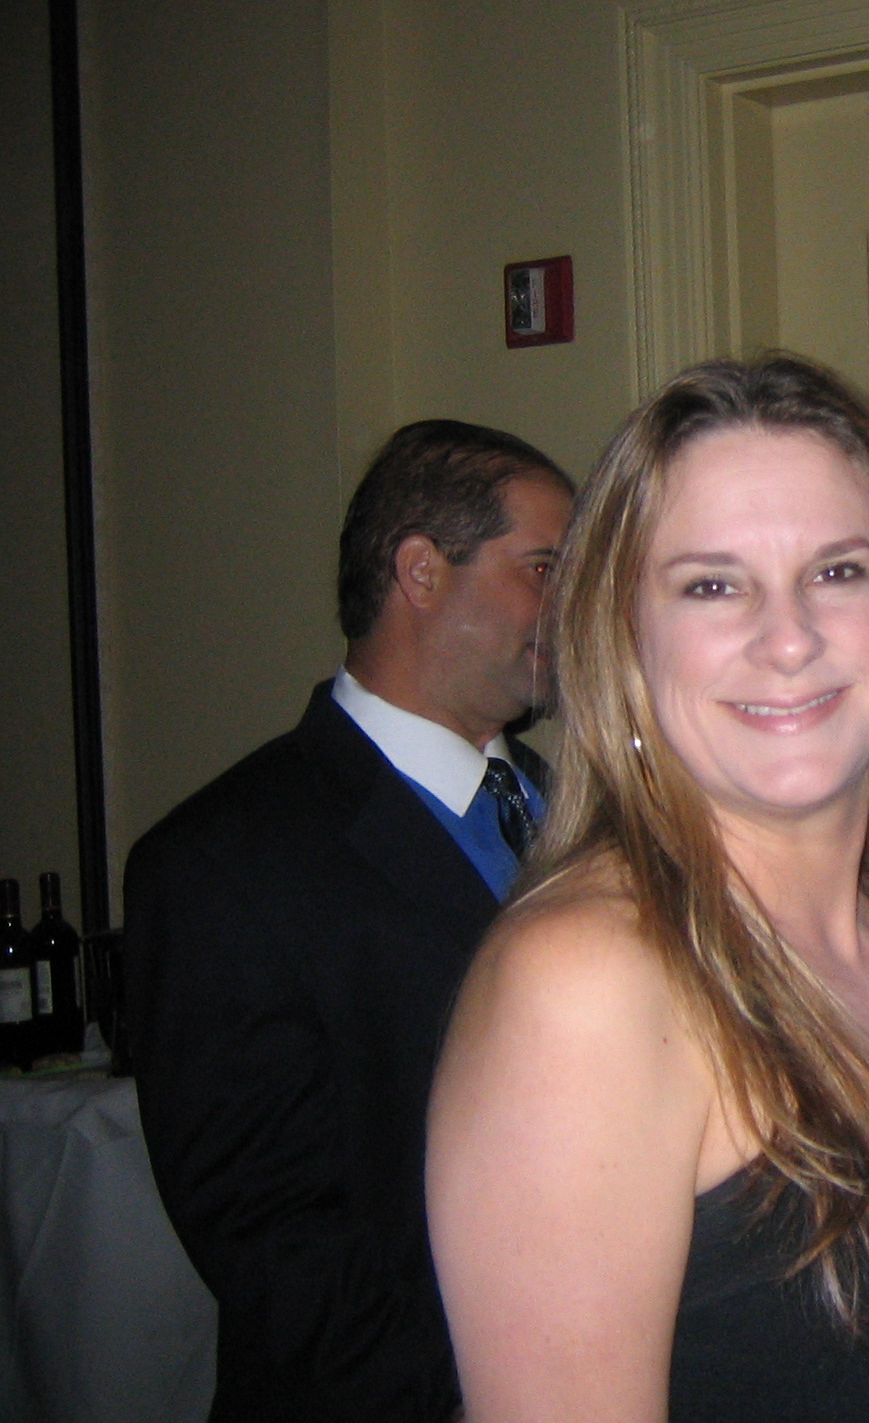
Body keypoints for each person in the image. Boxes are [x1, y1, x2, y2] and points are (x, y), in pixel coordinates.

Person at [425, 354, 869, 1423]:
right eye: (712, 585)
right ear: (623, 629)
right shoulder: (584, 983)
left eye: (836, 572)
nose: (788, 638)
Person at [124, 420, 574, 1422]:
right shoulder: (221, 862)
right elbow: (273, 1237)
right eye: (545, 569)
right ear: (421, 572)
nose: (576, 605)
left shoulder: (582, 812)